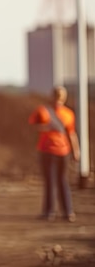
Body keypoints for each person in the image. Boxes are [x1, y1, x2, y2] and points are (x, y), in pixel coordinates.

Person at [28, 85, 80, 223]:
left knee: (50, 181)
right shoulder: (69, 114)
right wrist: (76, 151)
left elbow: (32, 125)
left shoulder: (43, 111)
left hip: (47, 151)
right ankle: (68, 212)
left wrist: (45, 128)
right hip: (64, 151)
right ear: (64, 97)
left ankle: (49, 212)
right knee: (62, 181)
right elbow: (72, 134)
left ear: (52, 96)